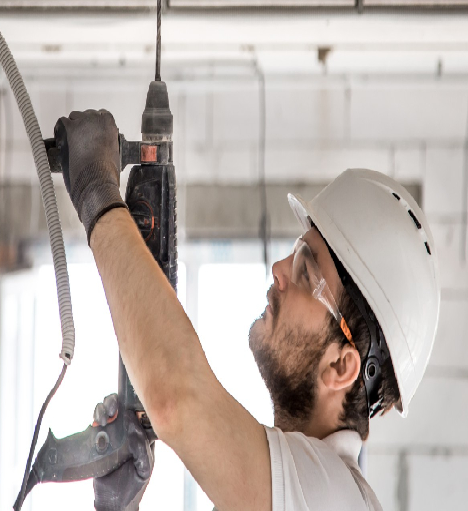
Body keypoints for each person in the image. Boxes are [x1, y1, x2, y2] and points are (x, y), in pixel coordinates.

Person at [54, 109, 441, 511]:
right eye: (295, 255)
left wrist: (96, 191)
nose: (279, 271)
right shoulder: (303, 494)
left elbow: (176, 398)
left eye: (307, 272)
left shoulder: (329, 496)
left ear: (341, 367)